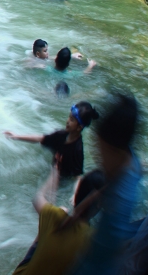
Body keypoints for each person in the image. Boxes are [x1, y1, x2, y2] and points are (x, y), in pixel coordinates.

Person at [70, 94, 142, 275]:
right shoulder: (131, 160)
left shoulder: (117, 208)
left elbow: (96, 264)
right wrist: (82, 207)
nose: (97, 156)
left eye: (99, 150)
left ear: (113, 149)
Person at [11, 161, 106, 275]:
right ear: (100, 205)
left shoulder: (55, 216)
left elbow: (37, 198)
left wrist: (54, 173)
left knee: (52, 219)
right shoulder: (93, 240)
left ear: (77, 194)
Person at [4, 102, 99, 178]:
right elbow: (40, 138)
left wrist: (74, 194)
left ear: (79, 127)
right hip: (53, 173)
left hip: (64, 180)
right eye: (69, 117)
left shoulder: (77, 150)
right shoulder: (60, 135)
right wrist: (16, 136)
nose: (68, 121)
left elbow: (77, 176)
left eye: (72, 120)